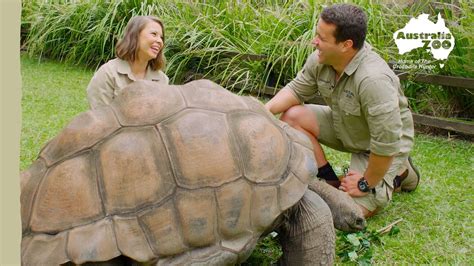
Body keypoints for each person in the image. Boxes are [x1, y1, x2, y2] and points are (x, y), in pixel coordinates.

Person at [265, 4, 420, 218]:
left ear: (346, 45)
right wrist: (261, 112)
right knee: (292, 117)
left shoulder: (373, 80)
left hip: (379, 148)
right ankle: (328, 179)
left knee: (349, 212)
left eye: (322, 38)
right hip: (347, 126)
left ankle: (399, 172)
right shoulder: (322, 59)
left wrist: (366, 183)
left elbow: (386, 145)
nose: (314, 42)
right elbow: (296, 89)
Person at [87, 15, 169, 109]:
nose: (159, 41)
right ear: (135, 36)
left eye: (161, 37)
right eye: (154, 34)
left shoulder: (162, 80)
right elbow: (100, 117)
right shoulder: (108, 73)